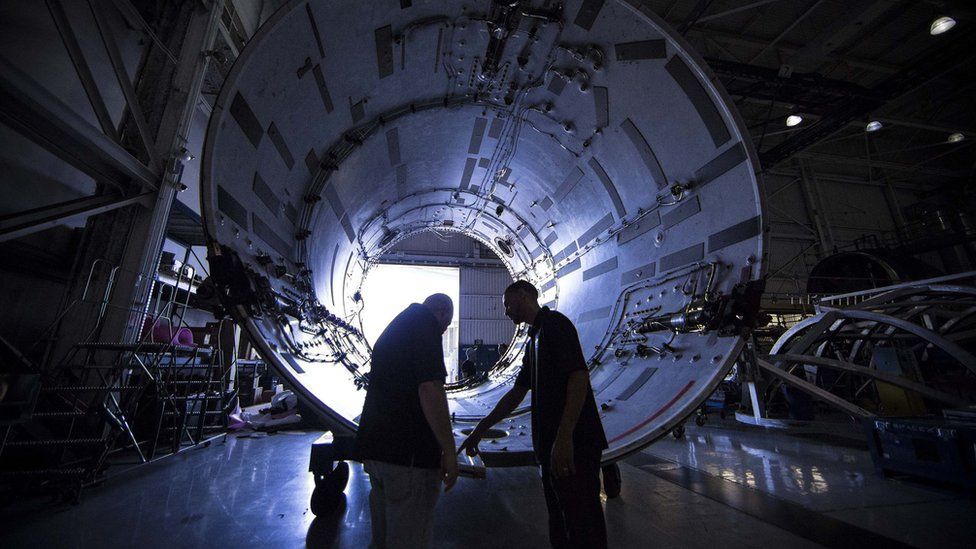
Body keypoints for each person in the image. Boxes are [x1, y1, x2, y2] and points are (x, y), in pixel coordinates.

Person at [459, 281, 608, 548]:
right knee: (561, 520)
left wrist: (564, 439)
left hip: (575, 445)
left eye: (507, 304)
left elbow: (578, 376)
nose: (506, 312)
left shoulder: (555, 325)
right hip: (554, 447)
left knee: (582, 521)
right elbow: (516, 393)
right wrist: (481, 428)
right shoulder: (533, 340)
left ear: (523, 294)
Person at [355, 293, 458, 549]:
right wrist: (449, 449)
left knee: (383, 538)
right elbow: (429, 388)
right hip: (408, 459)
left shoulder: (398, 326)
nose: (442, 333)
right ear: (443, 314)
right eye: (445, 328)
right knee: (409, 539)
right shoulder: (425, 326)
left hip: (379, 452)